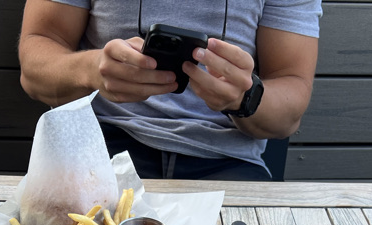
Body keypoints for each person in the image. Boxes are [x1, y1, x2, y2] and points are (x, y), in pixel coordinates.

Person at [17, 0, 321, 180]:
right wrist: (91, 70)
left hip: (227, 163)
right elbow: (33, 70)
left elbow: (289, 111)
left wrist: (244, 98)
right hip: (98, 149)